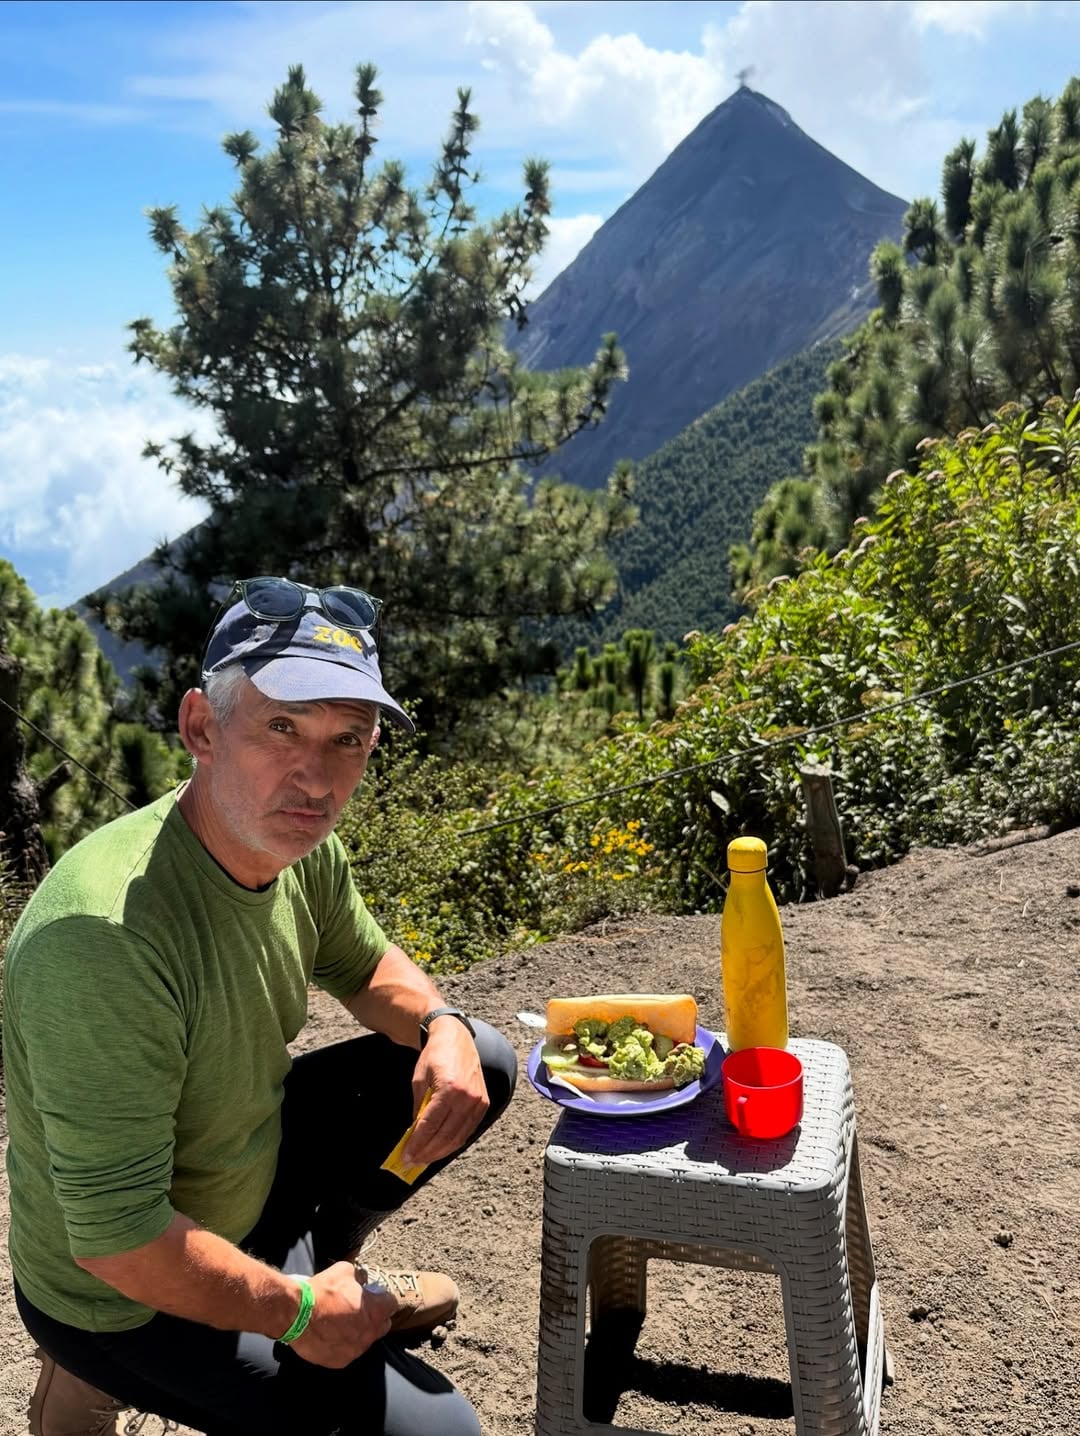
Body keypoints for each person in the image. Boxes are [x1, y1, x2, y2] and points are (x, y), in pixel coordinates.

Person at [3, 577, 518, 1436]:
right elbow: (118, 1239)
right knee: (445, 1435)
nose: (315, 778)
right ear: (202, 727)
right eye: (282, 727)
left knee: (484, 1063)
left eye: (348, 740)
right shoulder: (102, 936)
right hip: (122, 1294)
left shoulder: (295, 844)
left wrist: (444, 1026)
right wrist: (293, 1315)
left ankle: (330, 1277)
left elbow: (363, 963)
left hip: (246, 1173)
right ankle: (97, 1377)